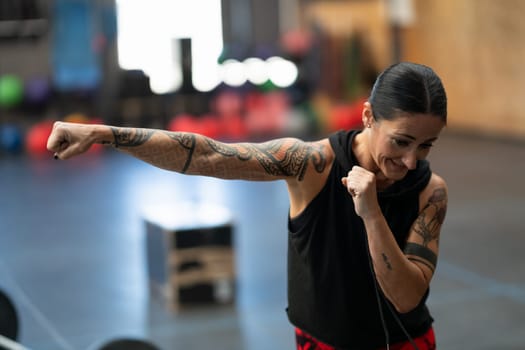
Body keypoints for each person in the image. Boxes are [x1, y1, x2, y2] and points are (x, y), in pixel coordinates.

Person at [47, 61, 447, 350]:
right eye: (401, 141)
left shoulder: (430, 192)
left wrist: (371, 213)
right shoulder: (312, 165)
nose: (411, 161)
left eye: (425, 145)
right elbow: (210, 154)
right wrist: (106, 134)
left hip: (408, 342)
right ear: (368, 117)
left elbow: (406, 297)